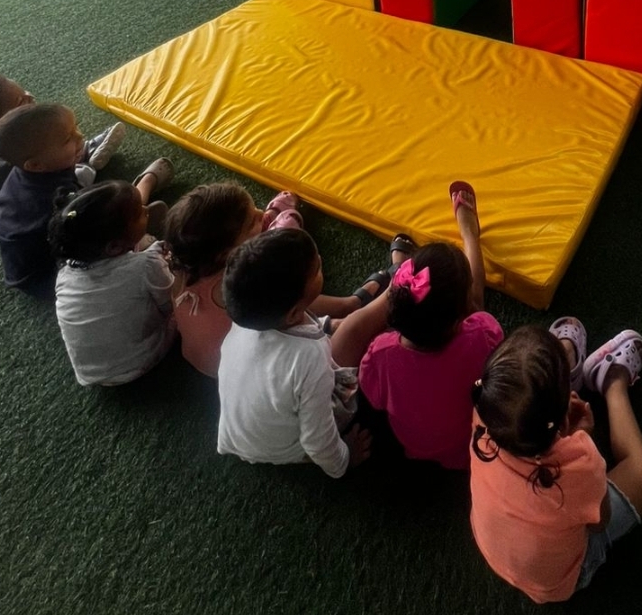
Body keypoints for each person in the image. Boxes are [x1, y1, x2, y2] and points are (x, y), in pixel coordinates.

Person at [469, 322, 642, 603]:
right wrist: (582, 438)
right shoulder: (580, 463)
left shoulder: (486, 414)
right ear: (563, 420)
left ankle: (563, 364)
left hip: (495, 550)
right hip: (559, 581)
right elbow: (599, 523)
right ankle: (613, 384)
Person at [165, 180, 413, 378]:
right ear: (226, 253)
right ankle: (395, 285)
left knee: (293, 293)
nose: (261, 213)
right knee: (349, 331)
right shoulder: (238, 286)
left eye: (256, 209)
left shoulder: (185, 265)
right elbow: (295, 301)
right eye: (252, 222)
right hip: (260, 373)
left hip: (204, 360)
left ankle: (350, 305)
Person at [216, 225, 395, 476]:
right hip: (291, 447)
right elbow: (316, 439)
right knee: (354, 331)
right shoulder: (308, 358)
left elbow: (298, 324)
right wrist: (344, 460)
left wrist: (327, 325)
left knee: (342, 329)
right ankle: (397, 288)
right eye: (317, 269)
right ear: (292, 313)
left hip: (239, 437)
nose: (320, 260)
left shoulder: (248, 320)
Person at [359, 181, 504, 469]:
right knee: (479, 305)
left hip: (415, 447)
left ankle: (461, 242)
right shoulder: (482, 334)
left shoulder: (379, 354)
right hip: (470, 451)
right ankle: (470, 235)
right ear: (462, 315)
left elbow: (374, 398)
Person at [0, 101, 171, 293]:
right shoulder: (56, 197)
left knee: (107, 198)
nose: (81, 136)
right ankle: (139, 216)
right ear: (35, 165)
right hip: (48, 275)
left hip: (37, 250)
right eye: (68, 139)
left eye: (75, 128)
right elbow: (94, 232)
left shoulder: (30, 172)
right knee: (116, 214)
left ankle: (135, 209)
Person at [0, 75, 124, 232]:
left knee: (56, 147)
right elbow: (37, 189)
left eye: (26, 92)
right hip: (6, 218)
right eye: (22, 101)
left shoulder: (12, 136)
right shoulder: (8, 159)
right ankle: (82, 164)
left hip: (31, 179)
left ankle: (81, 154)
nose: (31, 98)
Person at [48, 181, 177, 386]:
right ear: (114, 247)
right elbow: (170, 305)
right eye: (139, 213)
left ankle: (140, 240)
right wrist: (162, 259)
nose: (146, 209)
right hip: (141, 360)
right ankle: (148, 241)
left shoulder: (64, 275)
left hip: (91, 374)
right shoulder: (146, 265)